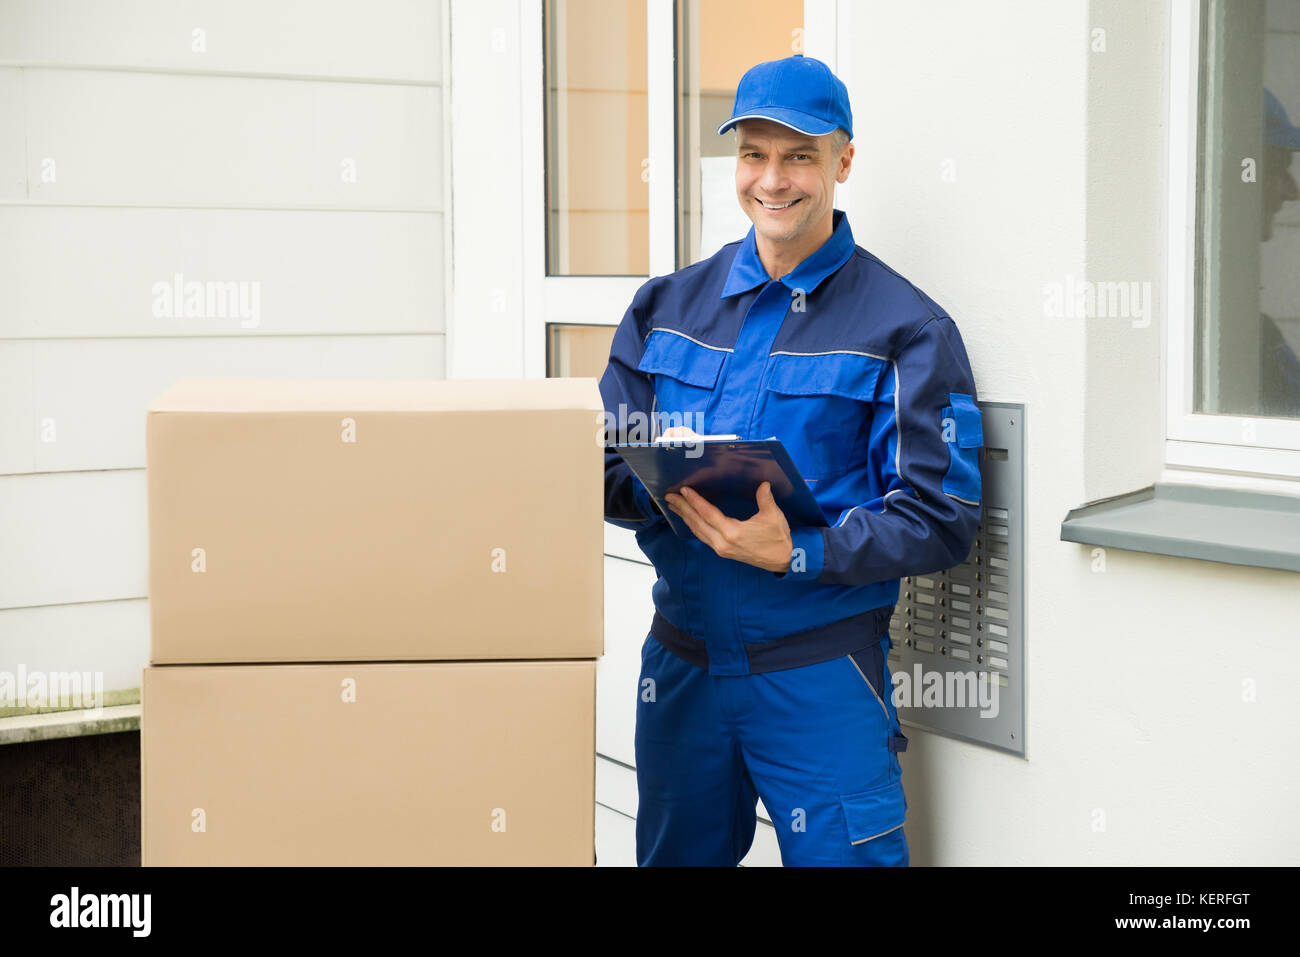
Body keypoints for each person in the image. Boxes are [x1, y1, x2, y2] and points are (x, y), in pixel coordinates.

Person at [599, 54, 983, 866]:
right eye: (754, 154)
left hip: (819, 672)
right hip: (681, 665)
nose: (773, 179)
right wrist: (663, 489)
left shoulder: (907, 329)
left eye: (800, 155)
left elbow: (942, 517)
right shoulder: (663, 308)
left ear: (844, 161)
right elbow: (604, 464)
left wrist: (799, 550)